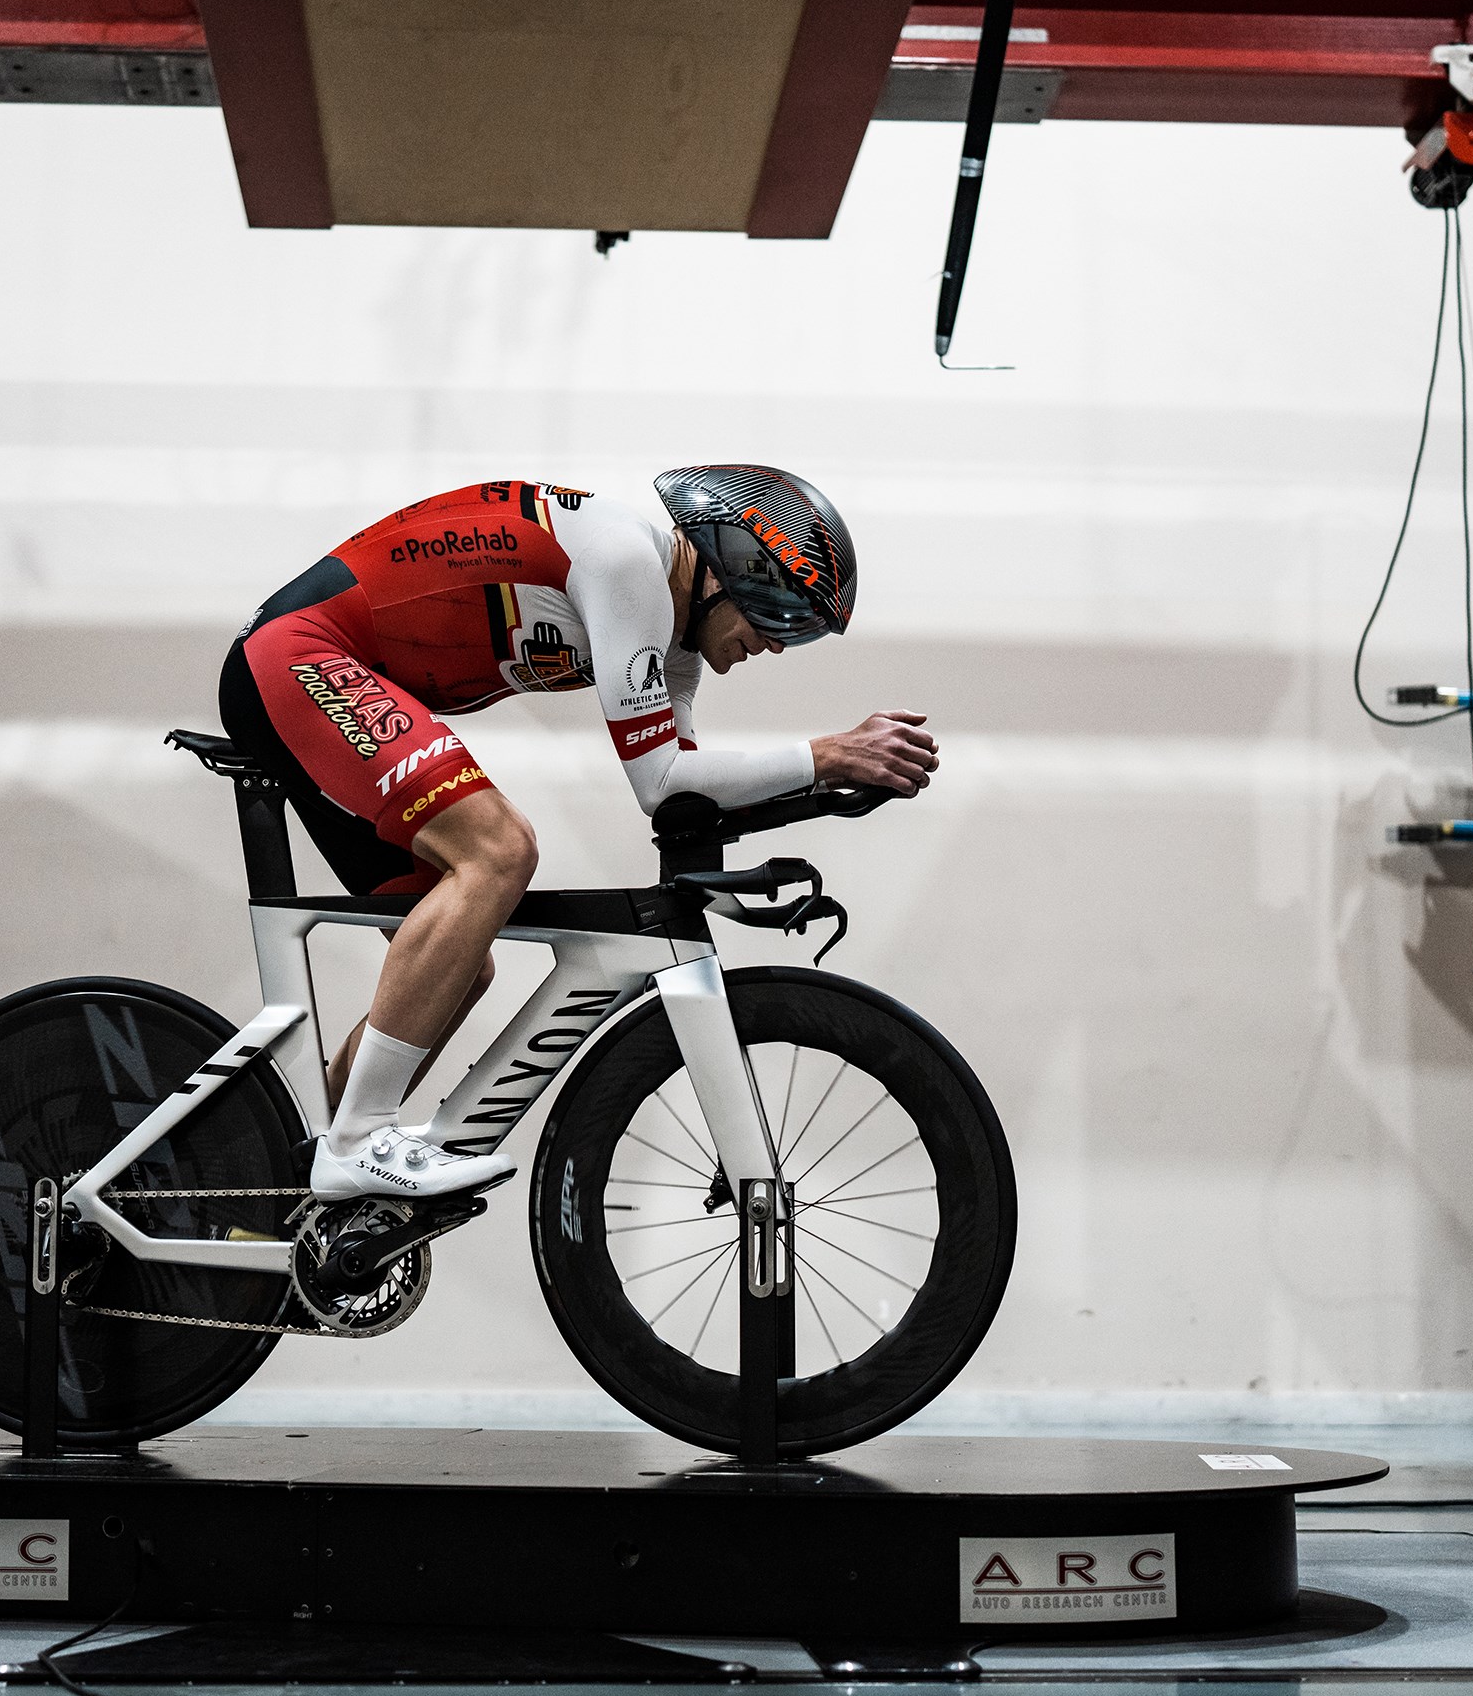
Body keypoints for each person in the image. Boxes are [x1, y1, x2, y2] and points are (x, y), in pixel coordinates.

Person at [218, 465, 937, 1203]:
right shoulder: (628, 564)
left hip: (317, 667)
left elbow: (679, 788)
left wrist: (821, 782)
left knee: (460, 965)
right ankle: (356, 1140)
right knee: (498, 853)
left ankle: (286, 1181)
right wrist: (825, 755)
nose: (778, 645)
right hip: (302, 654)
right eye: (780, 615)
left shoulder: (671, 632)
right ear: (734, 567)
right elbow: (661, 783)